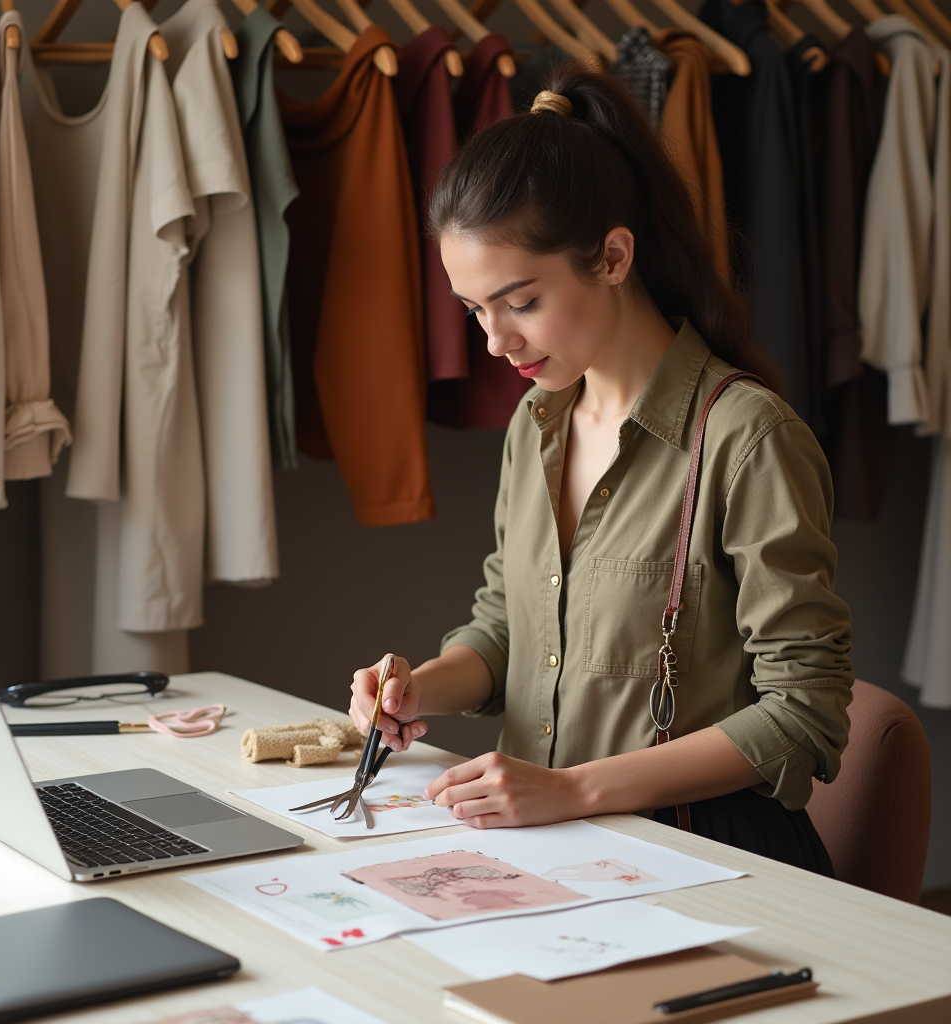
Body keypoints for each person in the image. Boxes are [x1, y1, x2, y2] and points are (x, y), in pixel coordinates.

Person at [348, 63, 853, 874]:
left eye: (520, 301)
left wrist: (574, 790)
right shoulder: (537, 423)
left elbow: (805, 711)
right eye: (474, 309)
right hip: (553, 858)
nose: (495, 342)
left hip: (703, 859)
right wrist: (418, 688)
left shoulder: (746, 438)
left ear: (614, 256)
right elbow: (508, 629)